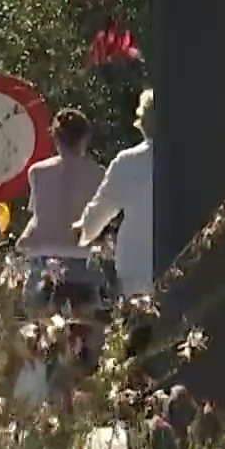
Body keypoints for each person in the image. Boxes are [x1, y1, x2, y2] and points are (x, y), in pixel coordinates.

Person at [18, 109, 105, 316]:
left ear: (55, 138)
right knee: (85, 333)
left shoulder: (37, 172)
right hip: (80, 262)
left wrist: (22, 240)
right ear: (85, 138)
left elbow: (40, 217)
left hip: (44, 262)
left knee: (40, 335)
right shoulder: (98, 174)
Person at [76, 90, 154, 299]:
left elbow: (103, 207)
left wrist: (83, 231)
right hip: (188, 262)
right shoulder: (195, 160)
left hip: (138, 265)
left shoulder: (129, 161)